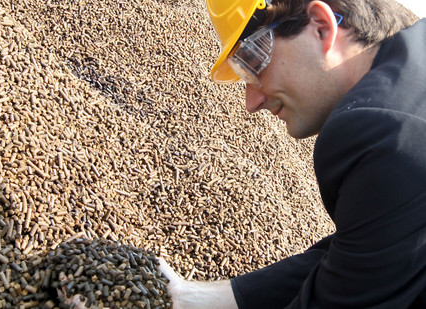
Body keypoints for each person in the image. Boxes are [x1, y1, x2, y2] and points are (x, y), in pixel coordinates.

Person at [158, 0, 426, 308]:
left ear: (322, 27)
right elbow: (363, 252)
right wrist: (189, 298)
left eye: (253, 60)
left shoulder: (379, 129)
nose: (252, 102)